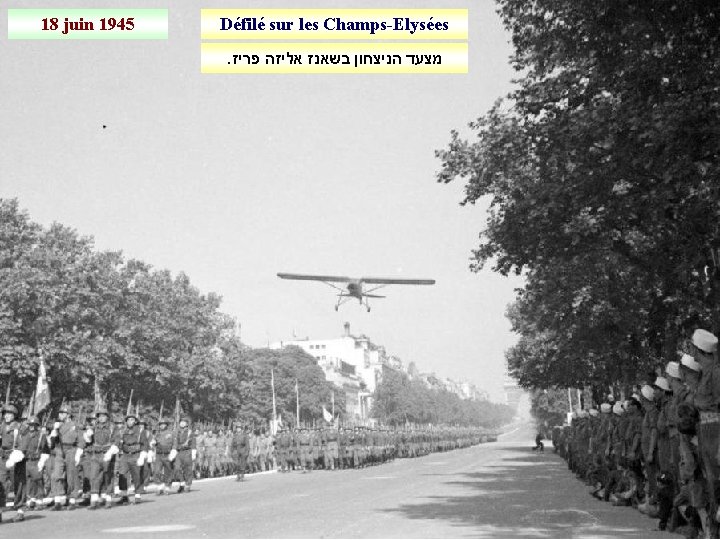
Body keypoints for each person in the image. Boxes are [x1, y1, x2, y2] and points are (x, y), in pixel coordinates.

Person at [172, 416, 196, 493]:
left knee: (187, 469)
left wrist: (193, 452)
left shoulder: (189, 432)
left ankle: (188, 484)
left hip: (187, 452)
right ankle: (182, 483)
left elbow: (193, 443)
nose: (181, 423)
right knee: (177, 468)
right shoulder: (177, 432)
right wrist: (174, 450)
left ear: (186, 424)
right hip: (179, 452)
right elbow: (175, 442)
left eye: (183, 422)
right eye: (181, 422)